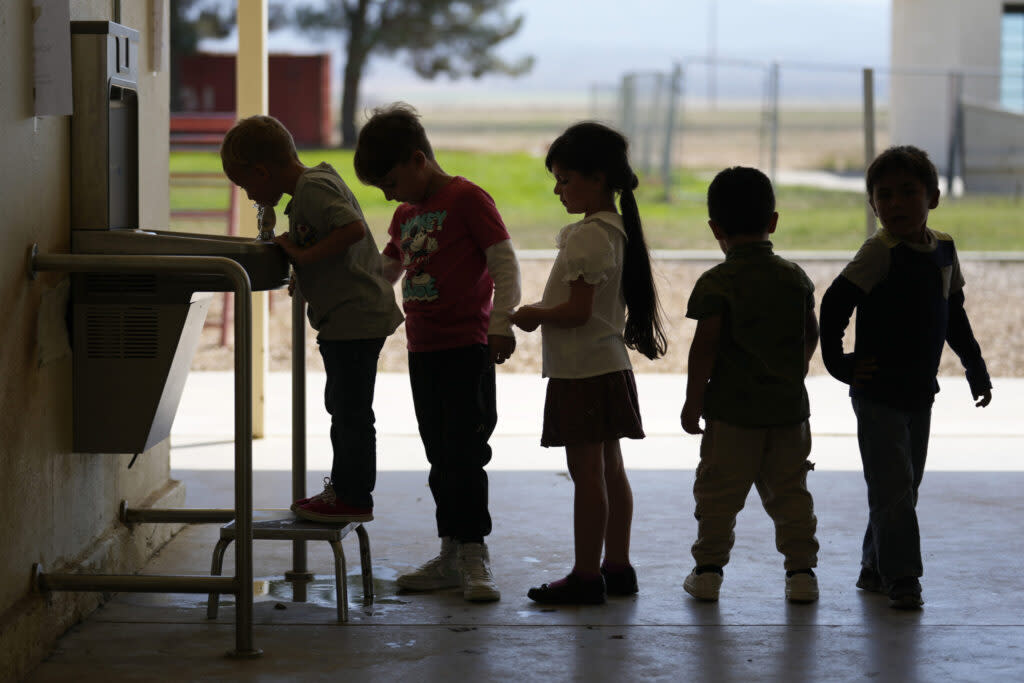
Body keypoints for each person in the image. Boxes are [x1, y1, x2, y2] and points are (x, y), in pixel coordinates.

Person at [352, 103, 521, 603]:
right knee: (439, 454)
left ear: (417, 159)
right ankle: (450, 554)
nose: (388, 195)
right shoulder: (406, 216)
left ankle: (475, 554)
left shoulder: (467, 199)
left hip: (466, 348)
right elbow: (384, 273)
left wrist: (501, 322)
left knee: (467, 452)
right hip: (422, 350)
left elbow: (504, 264)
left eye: (390, 181)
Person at [820, 145, 992, 610]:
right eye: (884, 195)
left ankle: (875, 566)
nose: (895, 203)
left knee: (903, 484)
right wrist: (839, 363)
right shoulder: (879, 252)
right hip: (876, 391)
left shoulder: (944, 250)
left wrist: (974, 365)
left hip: (920, 391)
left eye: (908, 192)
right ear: (872, 204)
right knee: (894, 485)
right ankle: (904, 577)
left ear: (933, 197)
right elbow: (834, 304)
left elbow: (953, 313)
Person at [510, 122, 667, 605]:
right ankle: (616, 566)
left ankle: (585, 576)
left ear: (597, 179)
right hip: (608, 365)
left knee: (588, 476)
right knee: (611, 470)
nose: (558, 190)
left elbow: (576, 312)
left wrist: (533, 313)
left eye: (565, 179)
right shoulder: (617, 231)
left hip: (582, 370)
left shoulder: (587, 237)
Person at [220, 114, 403, 524]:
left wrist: (302, 257)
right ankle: (345, 489)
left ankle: (352, 495)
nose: (253, 196)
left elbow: (352, 230)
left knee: (350, 410)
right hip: (346, 317)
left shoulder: (313, 188)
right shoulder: (310, 187)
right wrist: (305, 268)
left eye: (248, 187)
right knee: (343, 405)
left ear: (262, 172)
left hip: (355, 317)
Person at [680, 166, 820, 604]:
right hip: (787, 411)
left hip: (731, 414)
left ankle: (708, 572)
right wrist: (793, 371)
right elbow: (810, 332)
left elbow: (705, 348)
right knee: (792, 494)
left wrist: (692, 401)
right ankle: (801, 574)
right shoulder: (794, 277)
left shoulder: (717, 283)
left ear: (715, 228)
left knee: (718, 495)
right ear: (773, 222)